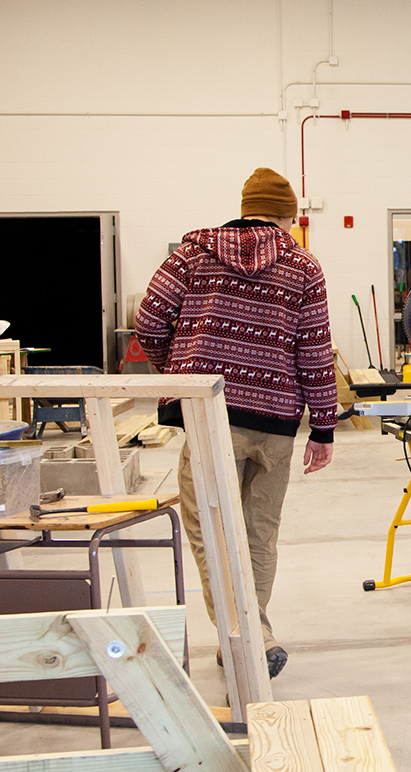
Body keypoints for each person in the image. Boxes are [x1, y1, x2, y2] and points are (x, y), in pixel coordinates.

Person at [137, 167, 337, 679]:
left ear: (244, 205)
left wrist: (177, 371)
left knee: (208, 529)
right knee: (258, 534)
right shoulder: (303, 266)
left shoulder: (190, 254)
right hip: (275, 423)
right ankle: (253, 633)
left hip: (208, 415)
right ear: (289, 215)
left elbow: (149, 320)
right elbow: (314, 350)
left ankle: (245, 634)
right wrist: (323, 427)